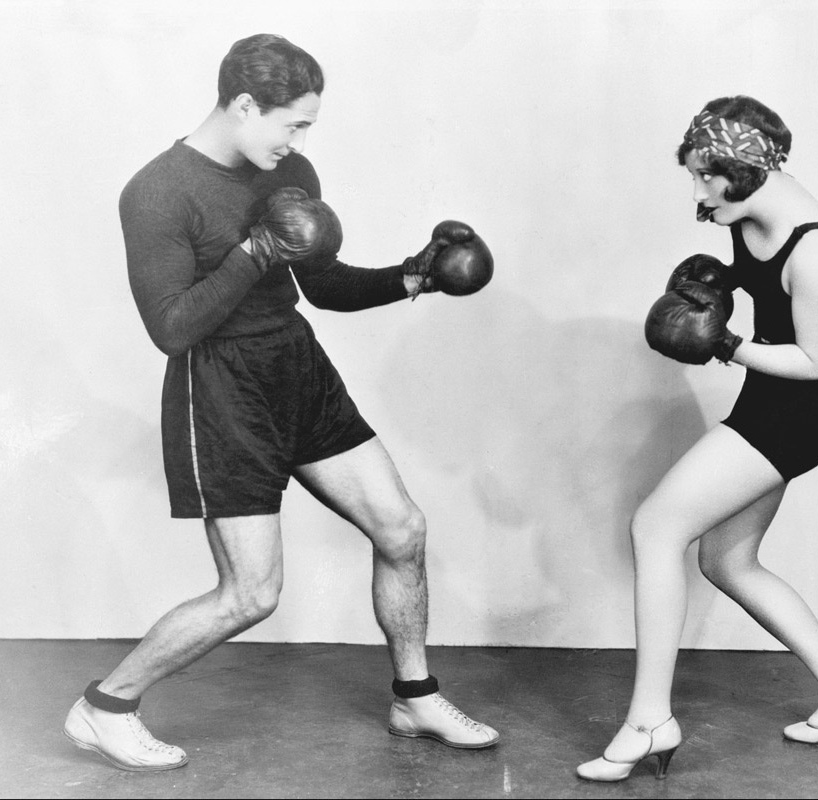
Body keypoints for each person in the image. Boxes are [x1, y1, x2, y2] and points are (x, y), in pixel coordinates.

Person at [63, 33, 498, 773]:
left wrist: (413, 276)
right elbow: (171, 328)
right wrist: (255, 252)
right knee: (251, 594)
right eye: (293, 123)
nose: (300, 140)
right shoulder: (158, 191)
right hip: (221, 391)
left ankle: (414, 696)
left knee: (402, 528)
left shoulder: (288, 169)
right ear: (242, 105)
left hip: (297, 369)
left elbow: (322, 285)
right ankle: (105, 707)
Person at [577, 95, 818, 782]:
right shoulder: (745, 211)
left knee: (655, 527)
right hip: (770, 399)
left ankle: (650, 720)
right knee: (728, 562)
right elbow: (756, 283)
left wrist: (725, 343)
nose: (696, 194)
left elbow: (813, 361)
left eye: (704, 178)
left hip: (802, 411)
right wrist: (715, 284)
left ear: (743, 170)